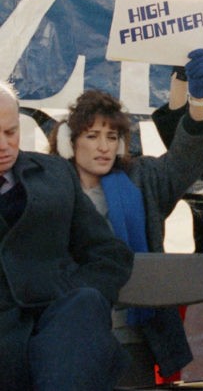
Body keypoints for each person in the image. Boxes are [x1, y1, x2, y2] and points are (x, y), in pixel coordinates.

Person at [49, 48, 203, 380]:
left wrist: (196, 101)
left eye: (112, 137)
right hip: (67, 333)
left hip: (130, 336)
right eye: (92, 136)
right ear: (70, 142)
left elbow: (187, 159)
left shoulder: (142, 180)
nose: (103, 146)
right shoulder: (48, 186)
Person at [0, 80, 134, 391]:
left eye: (10, 132)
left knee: (84, 305)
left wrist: (75, 290)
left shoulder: (56, 174)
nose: (4, 145)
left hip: (62, 323)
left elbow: (109, 253)